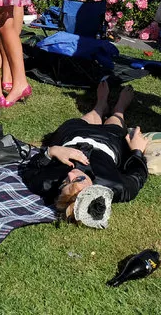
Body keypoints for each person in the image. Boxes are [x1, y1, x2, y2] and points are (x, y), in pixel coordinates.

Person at [20, 82, 148, 227]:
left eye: (64, 183)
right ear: (94, 187)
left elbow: (29, 170)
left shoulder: (47, 183)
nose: (70, 175)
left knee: (92, 115)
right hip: (109, 141)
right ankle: (119, 108)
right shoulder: (116, 186)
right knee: (115, 121)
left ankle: (100, 105)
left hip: (72, 136)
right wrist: (137, 150)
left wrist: (52, 151)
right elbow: (138, 176)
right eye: (78, 179)